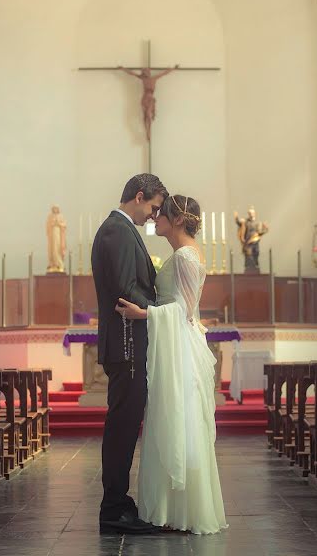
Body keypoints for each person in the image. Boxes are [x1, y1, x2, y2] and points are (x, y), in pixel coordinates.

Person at [116, 194, 228, 534]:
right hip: (175, 345)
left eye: (161, 214)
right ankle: (171, 507)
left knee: (178, 419)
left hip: (179, 349)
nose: (154, 218)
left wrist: (143, 313)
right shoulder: (183, 253)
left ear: (177, 220)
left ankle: (179, 509)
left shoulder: (184, 257)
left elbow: (184, 312)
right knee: (172, 419)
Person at [91, 173, 167, 534]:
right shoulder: (117, 230)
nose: (154, 216)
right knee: (122, 425)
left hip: (128, 342)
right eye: (153, 207)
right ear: (139, 196)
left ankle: (118, 501)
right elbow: (125, 287)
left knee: (124, 423)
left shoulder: (120, 230)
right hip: (126, 343)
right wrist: (159, 309)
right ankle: (112, 507)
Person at [118, 65, 179, 141]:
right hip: (145, 98)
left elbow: (165, 73)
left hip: (150, 99)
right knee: (145, 116)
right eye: (144, 71)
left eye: (147, 71)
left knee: (148, 115)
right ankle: (147, 132)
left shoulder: (154, 78)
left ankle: (148, 132)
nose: (146, 72)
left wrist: (173, 68)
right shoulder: (143, 78)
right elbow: (131, 73)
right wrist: (123, 69)